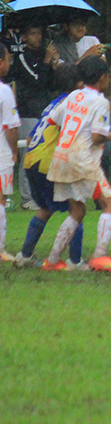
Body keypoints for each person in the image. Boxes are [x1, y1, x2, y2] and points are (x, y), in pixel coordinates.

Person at [42, 55, 111, 272]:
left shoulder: (73, 96)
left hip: (61, 157)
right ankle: (100, 256)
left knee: (77, 211)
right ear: (103, 77)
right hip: (83, 160)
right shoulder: (100, 102)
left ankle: (52, 261)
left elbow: (53, 119)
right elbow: (98, 137)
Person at [12, 64, 87, 269]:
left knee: (45, 208)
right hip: (49, 162)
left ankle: (24, 256)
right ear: (79, 84)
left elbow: (30, 138)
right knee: (77, 209)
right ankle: (75, 261)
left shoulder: (52, 104)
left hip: (32, 159)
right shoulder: (72, 104)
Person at [6, 24, 61, 210]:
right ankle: (27, 198)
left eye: (39, 33)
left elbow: (50, 85)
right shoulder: (22, 57)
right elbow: (35, 81)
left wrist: (53, 66)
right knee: (28, 155)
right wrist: (46, 61)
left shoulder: (43, 56)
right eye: (32, 33)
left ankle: (44, 194)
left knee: (46, 153)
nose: (37, 37)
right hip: (28, 112)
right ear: (24, 37)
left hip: (45, 112)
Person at [0, 48, 20, 263]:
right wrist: (14, 150)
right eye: (7, 59)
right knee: (0, 200)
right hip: (1, 153)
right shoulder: (4, 91)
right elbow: (11, 126)